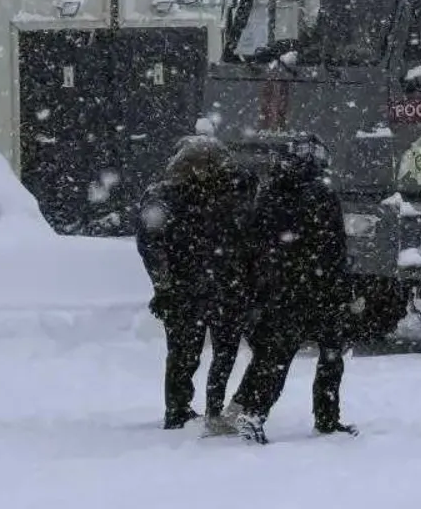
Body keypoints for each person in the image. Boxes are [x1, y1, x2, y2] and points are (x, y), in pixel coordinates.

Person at [227, 132, 360, 444]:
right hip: (320, 286)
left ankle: (255, 412)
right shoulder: (321, 195)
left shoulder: (271, 192)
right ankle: (327, 418)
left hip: (281, 287)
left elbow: (254, 241)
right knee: (330, 354)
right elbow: (334, 247)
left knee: (276, 355)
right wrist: (343, 286)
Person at [134, 135, 258, 431]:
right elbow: (250, 237)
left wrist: (164, 286)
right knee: (220, 351)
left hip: (189, 288)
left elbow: (151, 245)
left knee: (183, 354)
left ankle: (179, 410)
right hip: (225, 285)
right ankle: (211, 409)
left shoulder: (165, 196)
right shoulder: (235, 191)